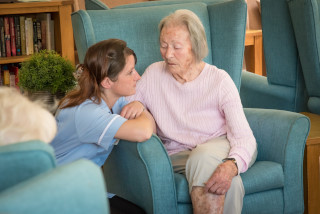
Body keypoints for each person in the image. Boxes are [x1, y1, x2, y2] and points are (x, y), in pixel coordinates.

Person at [126, 10, 257, 214]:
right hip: (175, 154)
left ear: (195, 47)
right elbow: (123, 106)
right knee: (232, 184)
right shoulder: (153, 75)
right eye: (163, 45)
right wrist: (141, 108)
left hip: (217, 145)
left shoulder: (219, 81)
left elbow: (244, 138)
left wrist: (232, 165)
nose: (168, 54)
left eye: (176, 47)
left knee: (203, 157)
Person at [50, 39, 155, 214]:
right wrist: (139, 105)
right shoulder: (87, 113)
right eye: (130, 72)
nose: (138, 76)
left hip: (81, 188)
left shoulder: (114, 98)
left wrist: (139, 106)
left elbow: (152, 129)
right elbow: (144, 132)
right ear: (107, 82)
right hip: (57, 195)